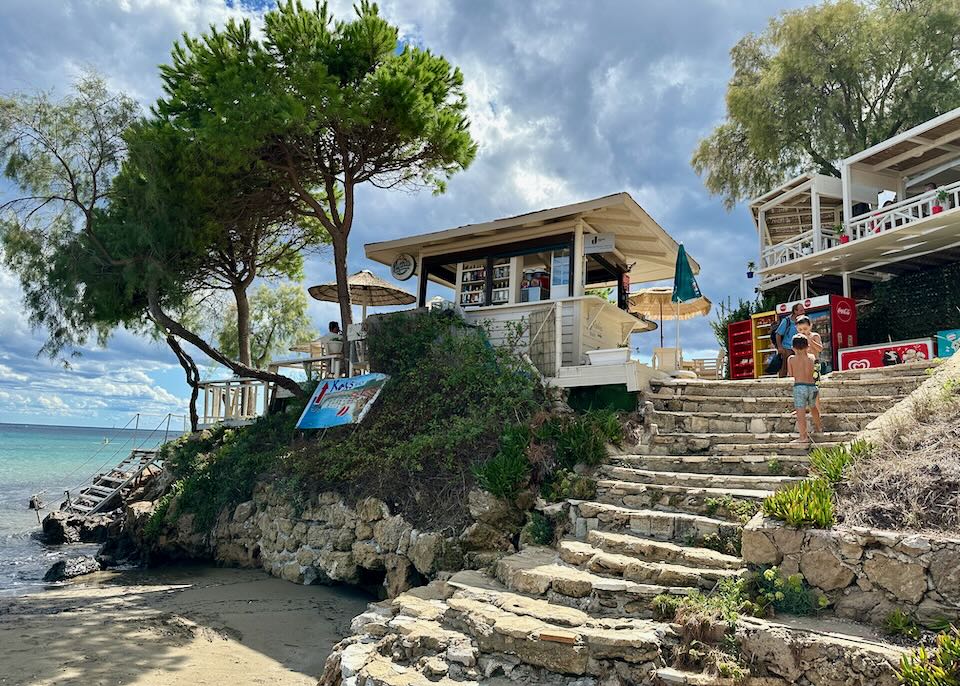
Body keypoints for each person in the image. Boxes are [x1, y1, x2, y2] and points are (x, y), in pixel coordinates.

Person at [788, 334, 822, 445]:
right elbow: (815, 371)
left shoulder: (791, 359)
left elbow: (791, 374)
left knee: (800, 411)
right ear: (808, 346)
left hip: (799, 386)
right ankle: (818, 428)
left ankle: (803, 436)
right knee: (813, 408)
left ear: (793, 348)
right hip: (812, 386)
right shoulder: (812, 357)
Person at [795, 314, 823, 420]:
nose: (803, 331)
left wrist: (810, 341)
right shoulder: (798, 339)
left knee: (814, 389)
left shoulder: (814, 336)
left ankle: (817, 412)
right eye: (800, 329)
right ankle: (806, 409)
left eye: (805, 329)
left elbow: (820, 349)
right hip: (802, 366)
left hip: (814, 365)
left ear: (810, 326)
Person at [774, 303, 805, 378]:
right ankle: (781, 384)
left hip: (798, 348)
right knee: (785, 367)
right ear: (795, 311)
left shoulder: (802, 321)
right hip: (787, 348)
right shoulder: (786, 321)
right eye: (801, 310)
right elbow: (778, 334)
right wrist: (780, 347)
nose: (803, 312)